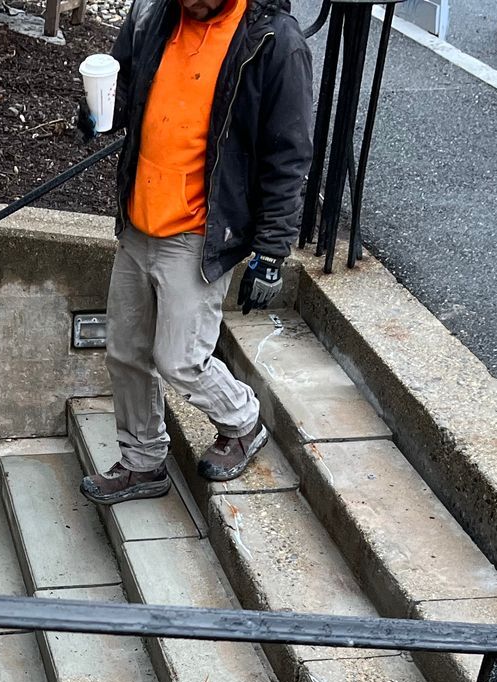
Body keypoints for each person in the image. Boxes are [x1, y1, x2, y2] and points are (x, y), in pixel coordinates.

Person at [77, 0, 314, 504]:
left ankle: (243, 421)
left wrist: (271, 252)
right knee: (125, 351)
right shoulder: (153, 15)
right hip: (139, 219)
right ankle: (142, 463)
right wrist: (99, 111)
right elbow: (126, 94)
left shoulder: (272, 41)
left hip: (201, 231)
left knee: (180, 358)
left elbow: (288, 155)